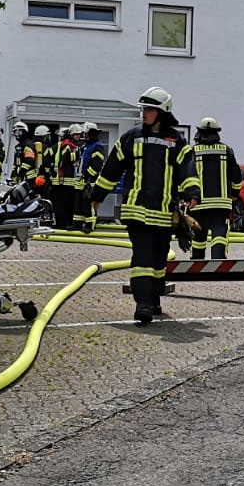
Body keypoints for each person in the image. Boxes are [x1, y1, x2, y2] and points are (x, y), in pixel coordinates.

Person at [91, 88, 199, 325]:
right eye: (143, 109)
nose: (144, 114)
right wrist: (98, 195)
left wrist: (192, 192)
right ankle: (143, 304)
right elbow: (112, 168)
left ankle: (154, 298)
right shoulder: (131, 137)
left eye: (149, 109)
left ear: (162, 112)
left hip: (162, 213)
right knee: (142, 257)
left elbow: (188, 169)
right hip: (135, 211)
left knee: (159, 260)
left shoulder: (176, 141)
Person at [190, 117, 244, 260]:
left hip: (198, 204)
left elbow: (185, 176)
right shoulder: (226, 151)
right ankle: (218, 261)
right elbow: (237, 177)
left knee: (198, 235)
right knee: (219, 233)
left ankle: (196, 263)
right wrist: (235, 194)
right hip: (221, 204)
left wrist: (186, 197)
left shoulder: (192, 152)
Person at [77, 123, 107, 233]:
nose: (83, 135)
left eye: (85, 133)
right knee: (81, 203)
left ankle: (90, 225)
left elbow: (97, 165)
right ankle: (79, 224)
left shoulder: (97, 146)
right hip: (84, 179)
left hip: (91, 180)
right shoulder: (86, 146)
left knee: (89, 202)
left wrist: (88, 176)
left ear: (89, 133)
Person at [51, 124, 82, 229]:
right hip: (67, 180)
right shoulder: (69, 145)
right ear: (70, 135)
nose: (78, 136)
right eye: (76, 134)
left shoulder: (58, 145)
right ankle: (65, 223)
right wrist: (78, 153)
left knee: (60, 203)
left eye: (79, 134)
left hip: (58, 179)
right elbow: (69, 159)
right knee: (66, 203)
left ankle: (61, 223)